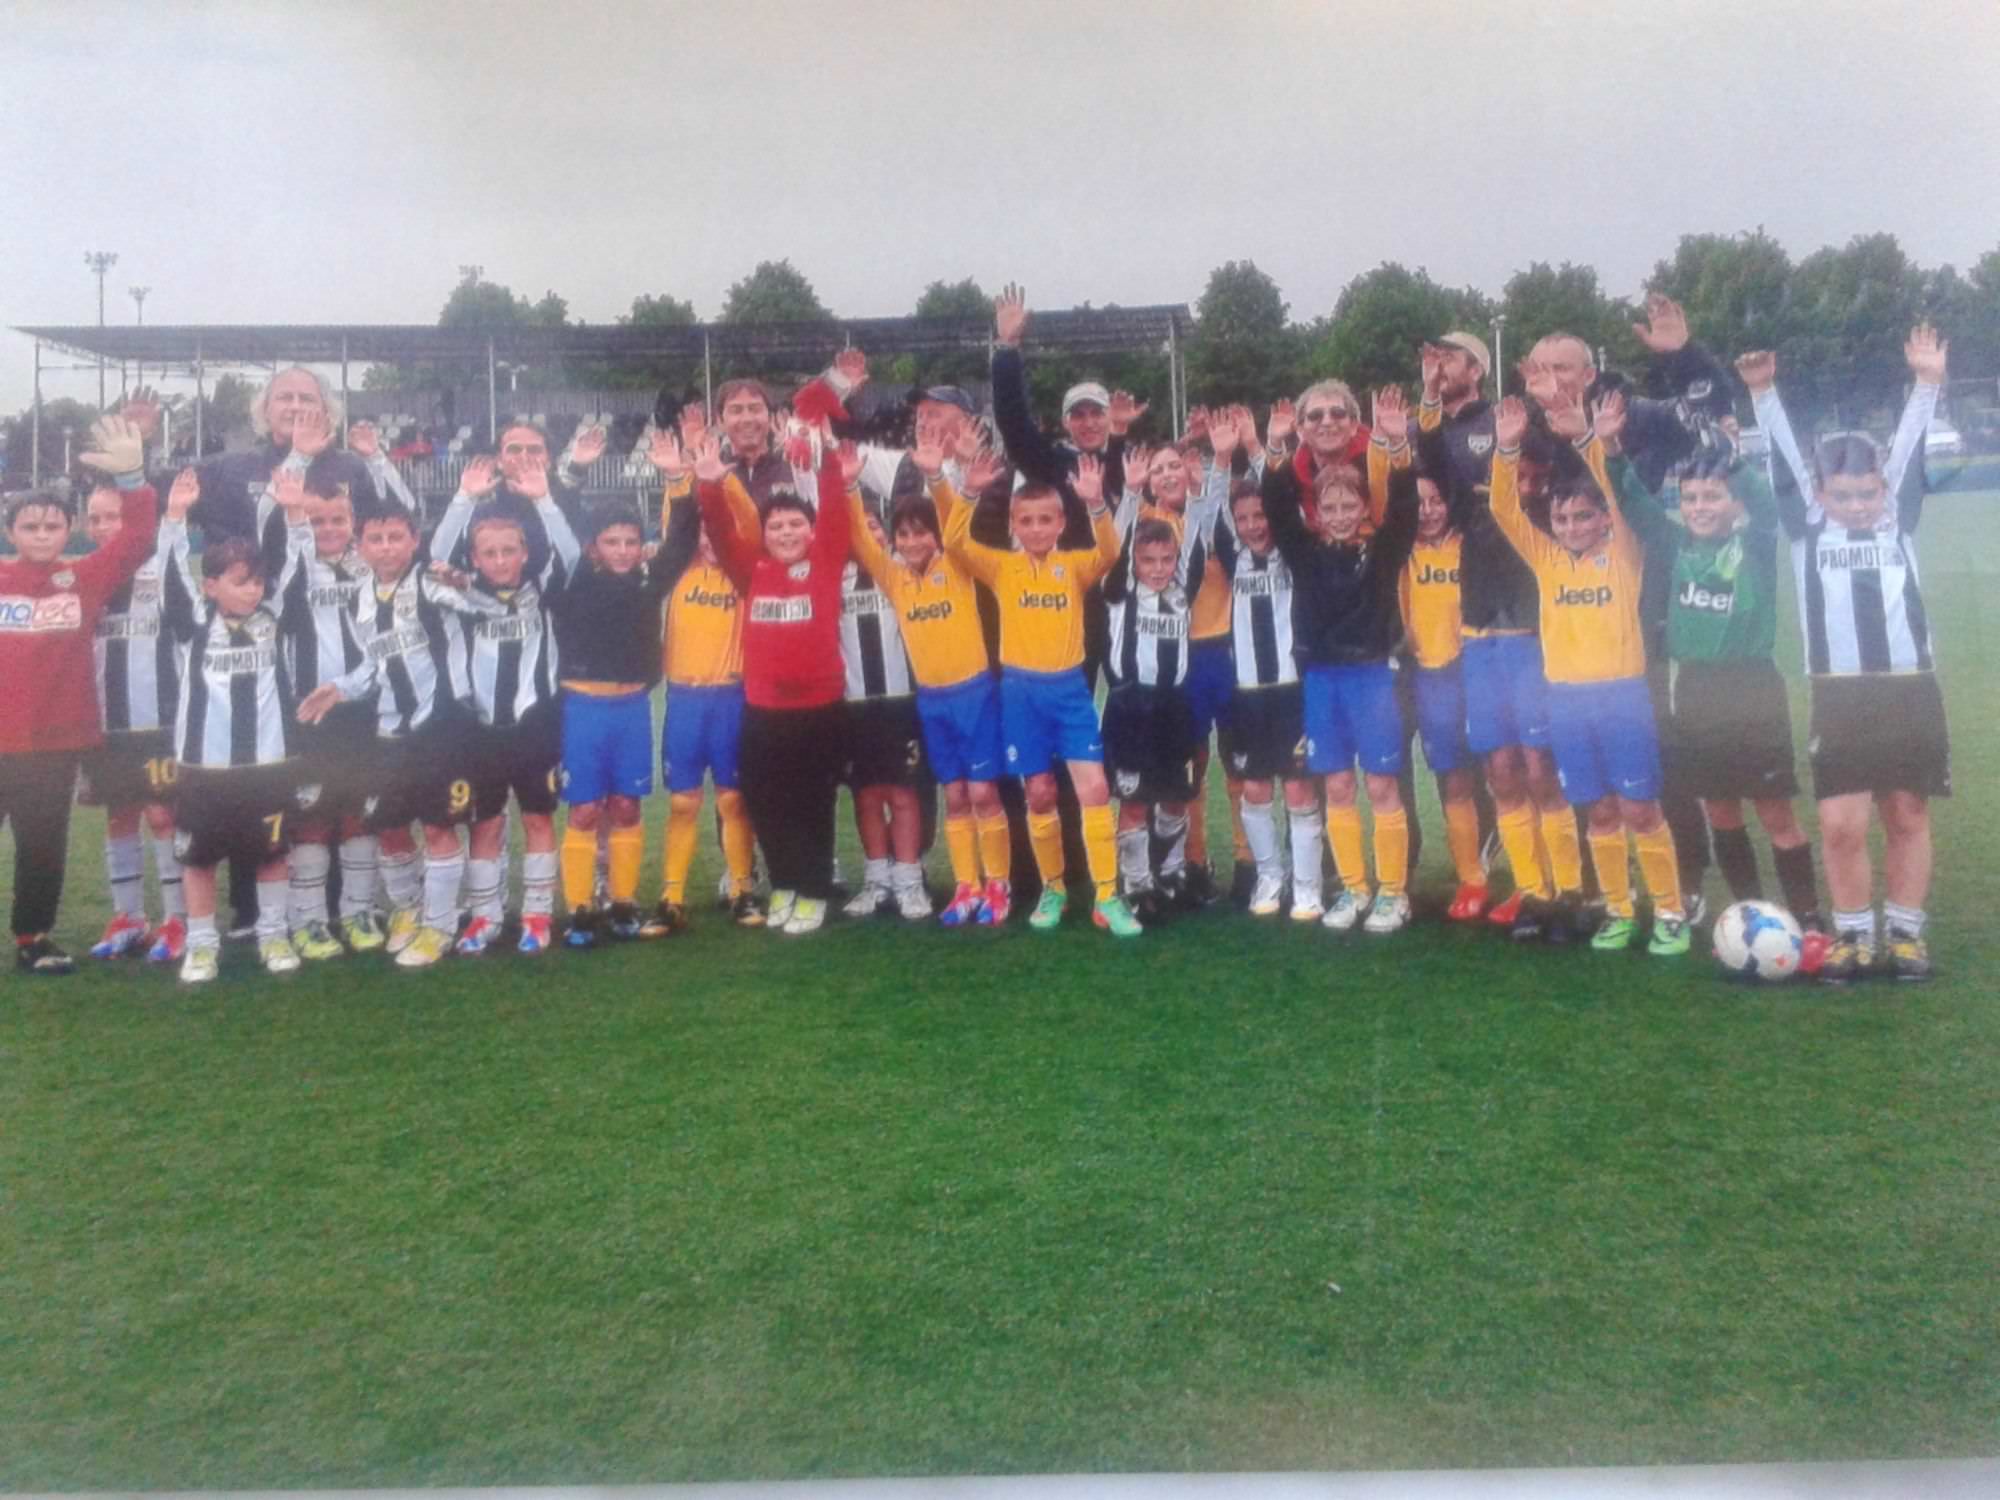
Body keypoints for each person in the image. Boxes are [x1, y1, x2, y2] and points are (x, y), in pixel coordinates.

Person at [1747, 325, 1950, 982]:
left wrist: (1928, 383)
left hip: (1910, 685)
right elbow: (1779, 455)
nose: (1859, 505)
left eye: (1869, 493)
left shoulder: (1901, 518)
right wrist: (1762, 392)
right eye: (1844, 495)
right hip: (1839, 691)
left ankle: (1908, 934)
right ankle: (1856, 934)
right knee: (1840, 822)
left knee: (1907, 811)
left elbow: (1912, 449)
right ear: (1822, 494)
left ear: (1885, 490)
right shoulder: (1808, 528)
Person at [1488, 390, 1690, 956]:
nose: (1572, 525)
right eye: (1562, 517)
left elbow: (1620, 500)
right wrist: (1505, 451)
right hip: (1567, 702)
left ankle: (1670, 912)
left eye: (1583, 516)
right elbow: (1504, 511)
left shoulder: (1624, 554)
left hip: (1623, 698)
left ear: (1603, 518)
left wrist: (1591, 441)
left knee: (1639, 808)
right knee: (1599, 812)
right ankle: (1620, 910)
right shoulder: (1548, 559)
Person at [1621, 415, 1822, 937]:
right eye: (1689, 498)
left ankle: (1808, 917)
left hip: (1753, 690)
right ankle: (1751, 918)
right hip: (1695, 693)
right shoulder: (1672, 546)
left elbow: (1768, 504)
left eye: (1712, 497)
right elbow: (1633, 503)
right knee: (1722, 813)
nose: (1699, 508)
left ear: (1733, 503)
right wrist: (1605, 448)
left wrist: (1734, 460)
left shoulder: (1754, 546)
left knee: (1775, 813)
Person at [294, 502, 502, 968]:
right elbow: (373, 664)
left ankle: (440, 926)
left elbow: (487, 608)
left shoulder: (431, 584)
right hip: (390, 728)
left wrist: (466, 583)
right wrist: (340, 688)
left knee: (438, 826)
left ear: (413, 541)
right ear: (361, 545)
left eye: (395, 538)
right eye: (375, 539)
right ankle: (410, 908)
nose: (386, 548)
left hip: (442, 726)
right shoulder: (360, 597)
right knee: (387, 824)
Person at [941, 448, 1131, 935]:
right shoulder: (1003, 568)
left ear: (1061, 522)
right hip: (1021, 694)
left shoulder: (1074, 566)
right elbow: (955, 541)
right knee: (1040, 792)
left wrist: (1096, 506)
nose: (1037, 528)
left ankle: (1108, 894)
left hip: (1069, 693)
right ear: (1013, 524)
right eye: (1027, 520)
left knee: (1096, 788)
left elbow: (1110, 551)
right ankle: (1054, 888)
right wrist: (967, 491)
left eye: (1046, 519)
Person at [1417, 333, 1570, 937]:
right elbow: (1427, 472)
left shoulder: (1508, 419)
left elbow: (1554, 460)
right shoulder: (1440, 435)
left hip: (1531, 613)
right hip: (1477, 619)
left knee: (1540, 764)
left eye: (1450, 356)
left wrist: (1547, 404)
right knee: (1501, 766)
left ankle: (1562, 889)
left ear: (1478, 367)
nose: (1439, 364)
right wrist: (1427, 404)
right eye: (1432, 357)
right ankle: (1528, 889)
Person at [0, 417, 158, 975]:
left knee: (42, 846)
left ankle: (33, 938)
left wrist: (134, 477)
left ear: (69, 530)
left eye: (52, 526)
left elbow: (139, 539)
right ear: (12, 531)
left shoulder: (86, 578)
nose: (41, 535)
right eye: (29, 526)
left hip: (54, 743)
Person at [843, 420, 1014, 926]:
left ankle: (998, 886)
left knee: (984, 793)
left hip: (975, 694)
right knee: (956, 795)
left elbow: (956, 522)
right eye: (903, 534)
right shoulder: (895, 578)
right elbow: (860, 539)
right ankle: (965, 886)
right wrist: (852, 486)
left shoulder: (956, 566)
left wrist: (940, 478)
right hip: (932, 702)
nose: (913, 541)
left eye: (922, 532)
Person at [1260, 398, 1420, 934]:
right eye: (1330, 508)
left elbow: (1406, 511)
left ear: (1364, 509)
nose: (1340, 515)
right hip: (1322, 683)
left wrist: (1398, 447)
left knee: (1380, 787)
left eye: (1350, 506)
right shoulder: (1304, 553)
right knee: (1337, 788)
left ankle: (1393, 893)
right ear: (1318, 514)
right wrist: (1278, 447)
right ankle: (1354, 888)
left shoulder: (1382, 552)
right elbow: (1277, 507)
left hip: (1372, 679)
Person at [695, 429, 853, 936]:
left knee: (812, 802)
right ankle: (784, 882)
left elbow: (836, 512)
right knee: (766, 800)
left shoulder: (826, 563)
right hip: (762, 711)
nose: (786, 532)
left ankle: (813, 891)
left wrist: (828, 457)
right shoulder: (751, 571)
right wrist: (709, 485)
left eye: (795, 524)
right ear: (764, 534)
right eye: (777, 525)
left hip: (819, 710)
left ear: (811, 531)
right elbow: (720, 531)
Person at [158, 479, 310, 983]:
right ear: (211, 586)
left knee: (271, 852)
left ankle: (273, 933)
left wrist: (295, 518)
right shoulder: (193, 624)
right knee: (199, 859)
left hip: (268, 763)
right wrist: (175, 520)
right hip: (205, 765)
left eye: (255, 581)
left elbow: (298, 574)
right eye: (239, 581)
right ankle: (201, 944)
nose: (252, 589)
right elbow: (171, 579)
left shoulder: (275, 618)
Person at [430, 459, 582, 956]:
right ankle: (486, 916)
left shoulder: (543, 591)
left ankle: (537, 914)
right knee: (486, 823)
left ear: (524, 554)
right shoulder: (461, 593)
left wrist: (543, 499)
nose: (500, 560)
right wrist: (463, 499)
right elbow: (433, 559)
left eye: (509, 551)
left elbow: (571, 552)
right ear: (474, 556)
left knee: (538, 818)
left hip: (536, 724)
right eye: (489, 552)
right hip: (482, 729)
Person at [1368, 390, 1489, 918]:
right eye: (1419, 504)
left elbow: (1458, 485)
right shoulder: (1394, 543)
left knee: (1454, 776)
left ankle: (1472, 878)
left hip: (1448, 674)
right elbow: (1382, 490)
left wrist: (1429, 422)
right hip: (1398, 673)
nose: (1429, 511)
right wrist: (1393, 442)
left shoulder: (1467, 543)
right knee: (1391, 776)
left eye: (1437, 501)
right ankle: (1399, 878)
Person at [544, 501, 678, 947]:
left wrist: (683, 484)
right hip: (583, 708)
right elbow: (559, 536)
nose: (622, 551)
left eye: (631, 542)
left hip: (633, 708)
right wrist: (558, 488)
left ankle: (623, 901)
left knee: (626, 806)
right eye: (611, 542)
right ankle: (580, 907)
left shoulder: (647, 584)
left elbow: (680, 545)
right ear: (592, 548)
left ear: (643, 548)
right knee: (583, 810)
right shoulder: (572, 582)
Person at [645, 430, 761, 934]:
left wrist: (721, 478)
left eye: (720, 535)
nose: (711, 543)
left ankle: (742, 889)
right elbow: (677, 525)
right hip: (685, 700)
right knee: (683, 801)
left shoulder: (744, 575)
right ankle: (671, 897)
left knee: (733, 799)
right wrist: (678, 476)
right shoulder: (678, 573)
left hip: (732, 698)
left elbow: (751, 521)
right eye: (705, 536)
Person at [273, 457, 382, 959]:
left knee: (360, 811)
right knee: (311, 815)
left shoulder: (371, 567)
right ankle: (309, 921)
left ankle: (358, 910)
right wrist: (294, 519)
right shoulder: (293, 570)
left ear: (353, 521)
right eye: (317, 521)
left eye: (338, 519)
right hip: (309, 715)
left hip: (365, 709)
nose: (329, 529)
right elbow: (283, 585)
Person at [78, 475, 189, 964]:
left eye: (114, 517)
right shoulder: (85, 579)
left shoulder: (161, 573)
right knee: (119, 815)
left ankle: (177, 920)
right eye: (95, 517)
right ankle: (127, 916)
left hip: (158, 722)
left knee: (163, 815)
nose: (104, 527)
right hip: (105, 725)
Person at [1101, 509, 1215, 928]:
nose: (1158, 569)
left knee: (1176, 796)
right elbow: (1113, 545)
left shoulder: (1182, 590)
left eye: (1166, 560)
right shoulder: (1120, 592)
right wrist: (1129, 495)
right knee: (1133, 800)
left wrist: (1209, 481)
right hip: (1131, 709)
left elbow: (1199, 532)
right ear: (1133, 561)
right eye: (1148, 560)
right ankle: (1136, 884)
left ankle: (1168, 873)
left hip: (1174, 709)